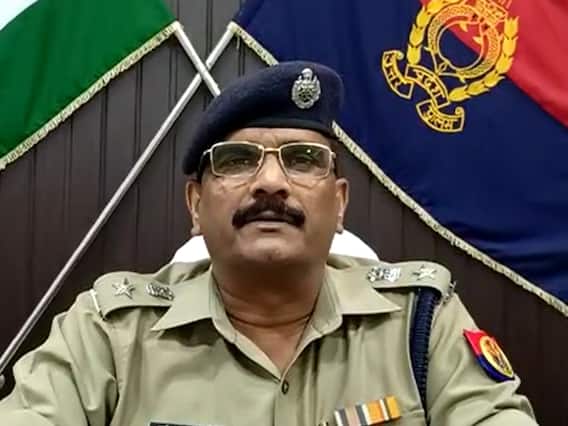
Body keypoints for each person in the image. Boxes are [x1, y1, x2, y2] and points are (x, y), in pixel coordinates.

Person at [0, 61, 536, 425]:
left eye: (303, 160)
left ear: (340, 204)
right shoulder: (110, 332)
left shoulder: (420, 323)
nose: (272, 183)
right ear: (195, 205)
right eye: (237, 161)